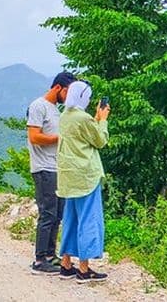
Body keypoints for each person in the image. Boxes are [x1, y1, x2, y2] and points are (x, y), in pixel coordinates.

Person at [56, 80, 110, 283]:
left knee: (71, 218)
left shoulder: (65, 116)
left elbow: (83, 134)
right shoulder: (83, 118)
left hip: (69, 177)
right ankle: (84, 269)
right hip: (86, 176)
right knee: (88, 218)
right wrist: (102, 119)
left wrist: (94, 119)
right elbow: (100, 140)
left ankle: (66, 263)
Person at [27, 71, 77, 275]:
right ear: (58, 88)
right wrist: (60, 139)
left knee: (57, 214)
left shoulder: (56, 110)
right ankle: (40, 260)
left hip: (57, 167)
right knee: (47, 213)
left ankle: (50, 254)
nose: (68, 98)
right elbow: (35, 137)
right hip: (43, 168)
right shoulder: (39, 106)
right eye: (67, 92)